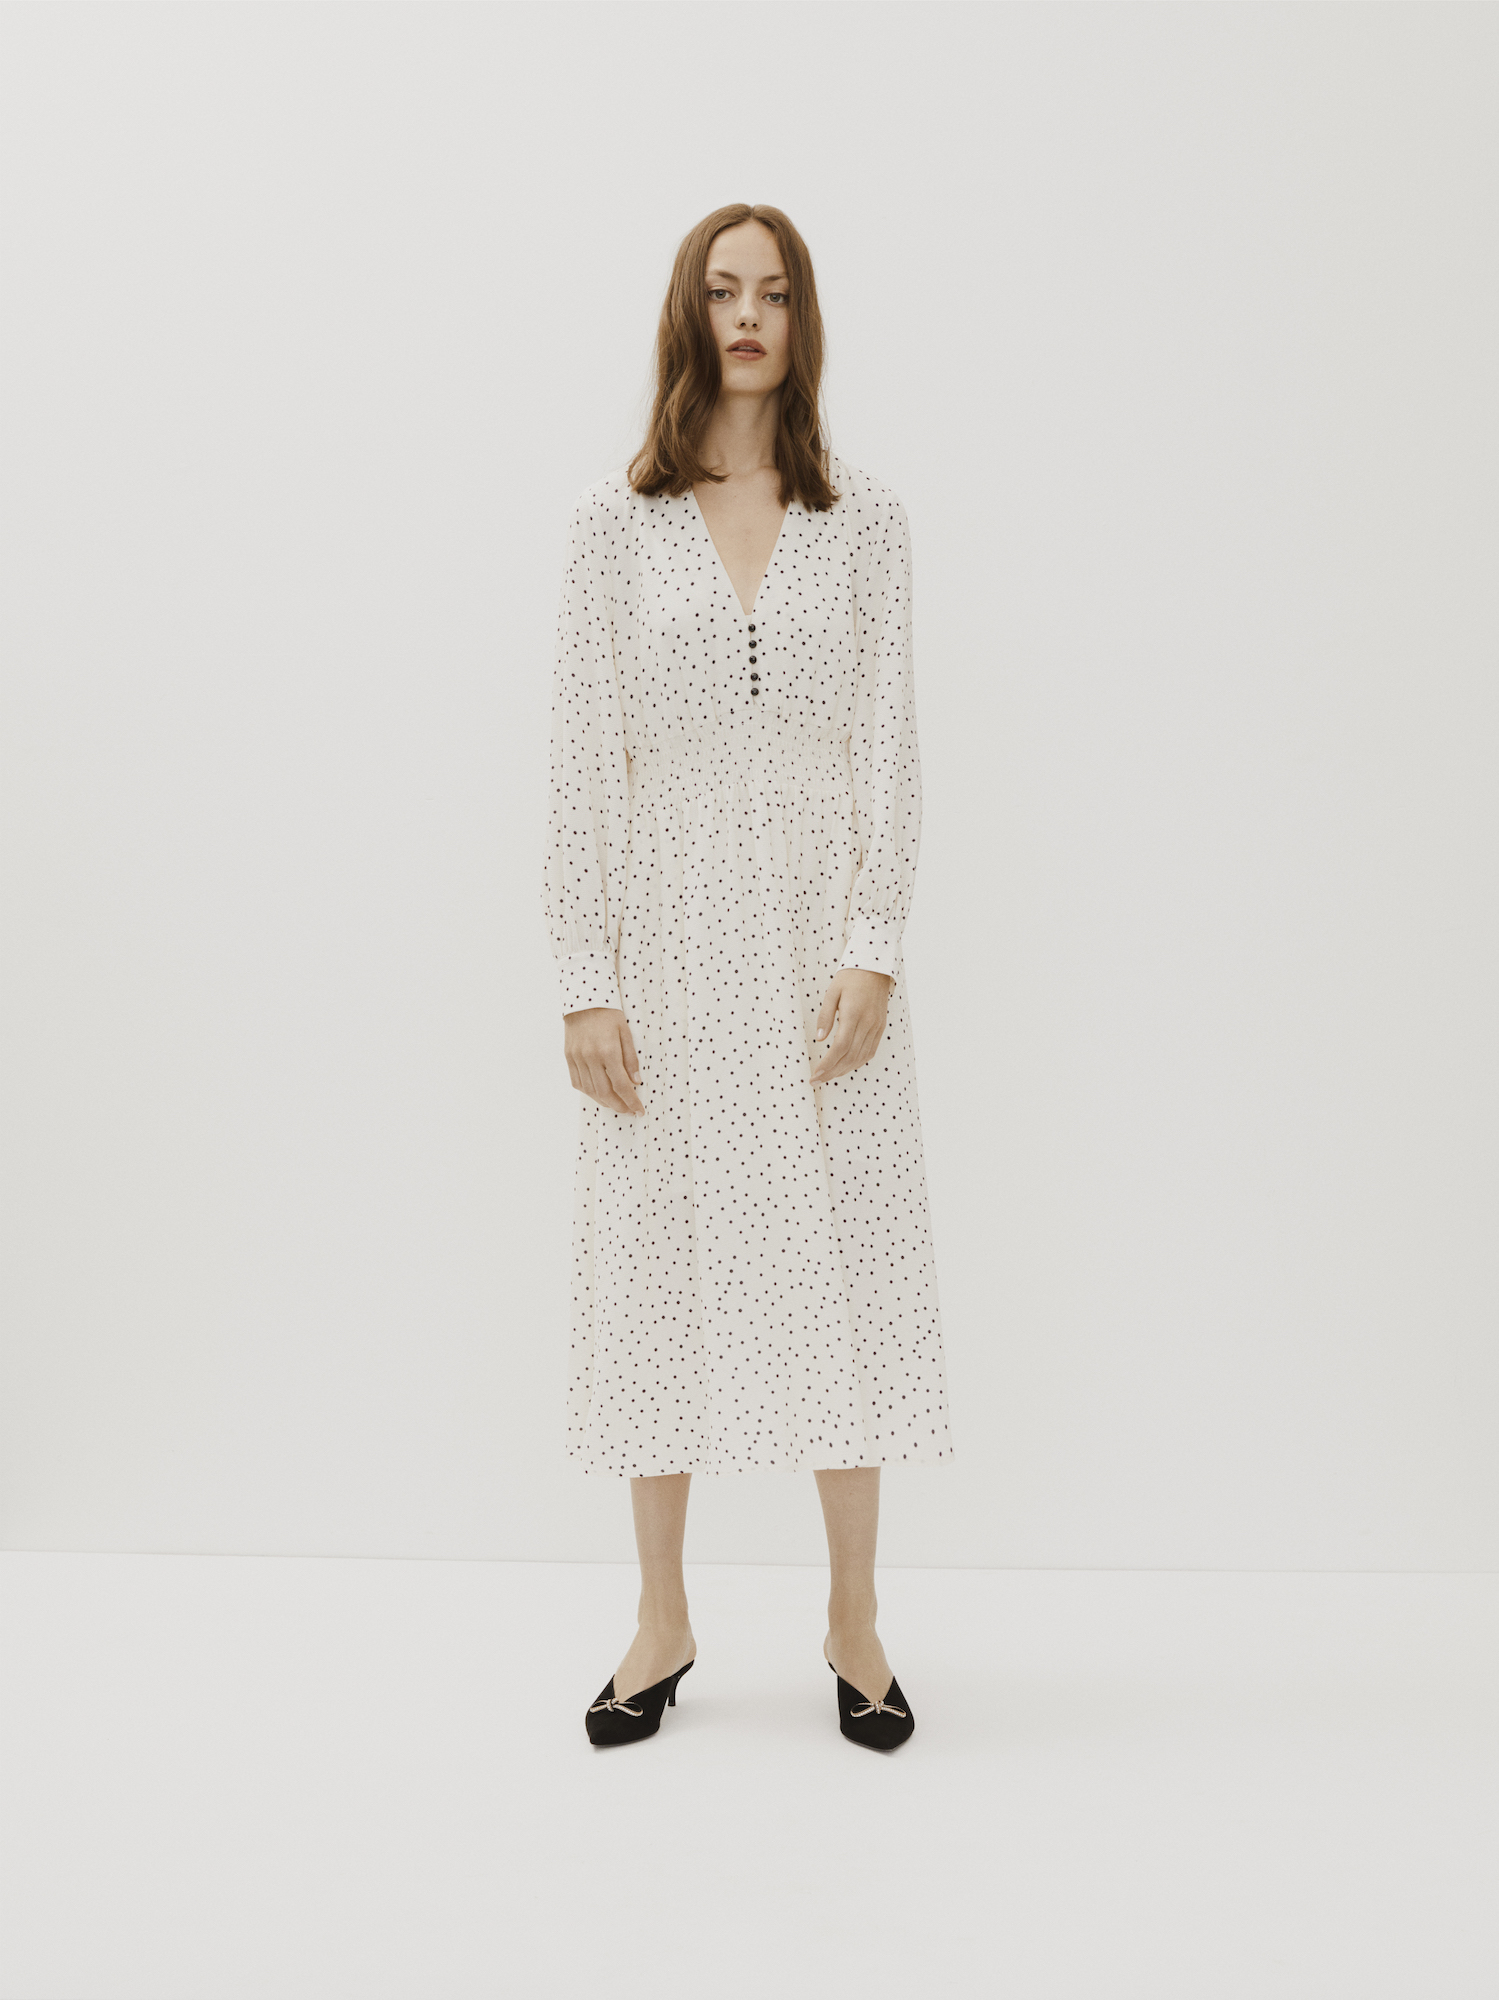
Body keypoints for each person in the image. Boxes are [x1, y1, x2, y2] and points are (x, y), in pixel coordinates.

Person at [542, 202, 951, 1752]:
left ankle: (854, 1619)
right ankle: (662, 1617)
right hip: (666, 952)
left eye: (774, 292)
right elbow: (583, 760)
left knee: (848, 1268)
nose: (749, 315)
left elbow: (890, 747)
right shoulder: (614, 523)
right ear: (689, 315)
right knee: (659, 1276)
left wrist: (874, 948)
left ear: (802, 318)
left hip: (817, 960)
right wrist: (584, 975)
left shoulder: (868, 519)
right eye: (723, 291)